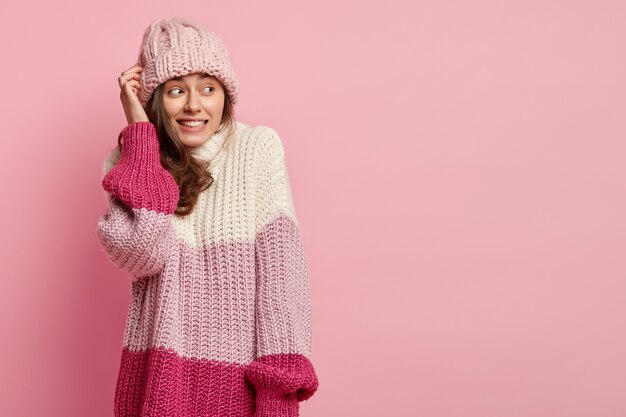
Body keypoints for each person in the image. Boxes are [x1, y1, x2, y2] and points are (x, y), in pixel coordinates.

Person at [96, 16, 319, 417]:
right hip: (157, 382)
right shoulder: (130, 161)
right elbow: (140, 253)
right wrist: (141, 137)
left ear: (225, 96)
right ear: (153, 99)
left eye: (208, 88)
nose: (194, 105)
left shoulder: (256, 149)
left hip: (240, 388)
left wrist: (278, 393)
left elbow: (282, 280)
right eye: (177, 90)